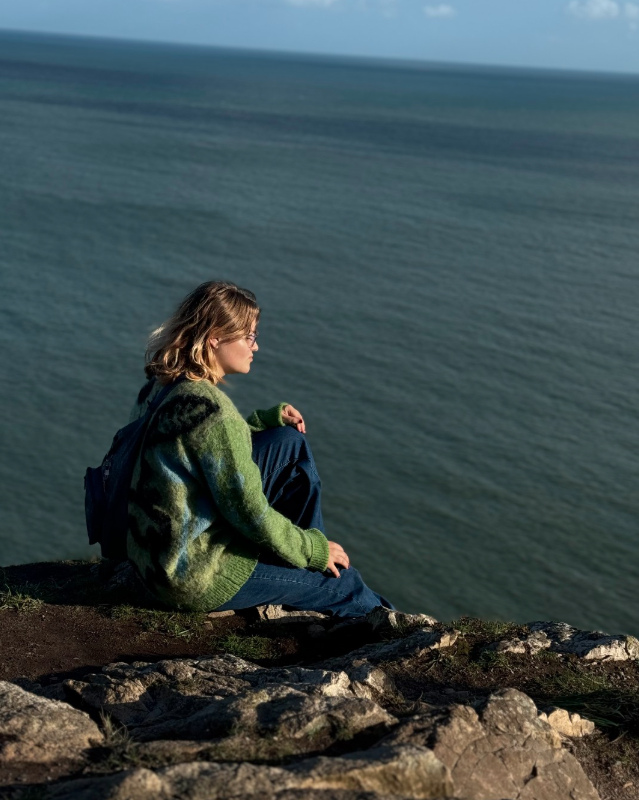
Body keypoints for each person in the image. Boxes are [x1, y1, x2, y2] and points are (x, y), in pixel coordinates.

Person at [127, 280, 394, 617]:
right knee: (345, 588)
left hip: (152, 558)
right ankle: (400, 626)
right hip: (193, 575)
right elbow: (250, 512)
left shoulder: (161, 387)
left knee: (288, 443)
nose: (256, 346)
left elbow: (193, 444)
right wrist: (313, 550)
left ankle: (297, 559)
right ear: (215, 338)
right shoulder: (215, 414)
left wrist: (260, 421)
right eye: (248, 336)